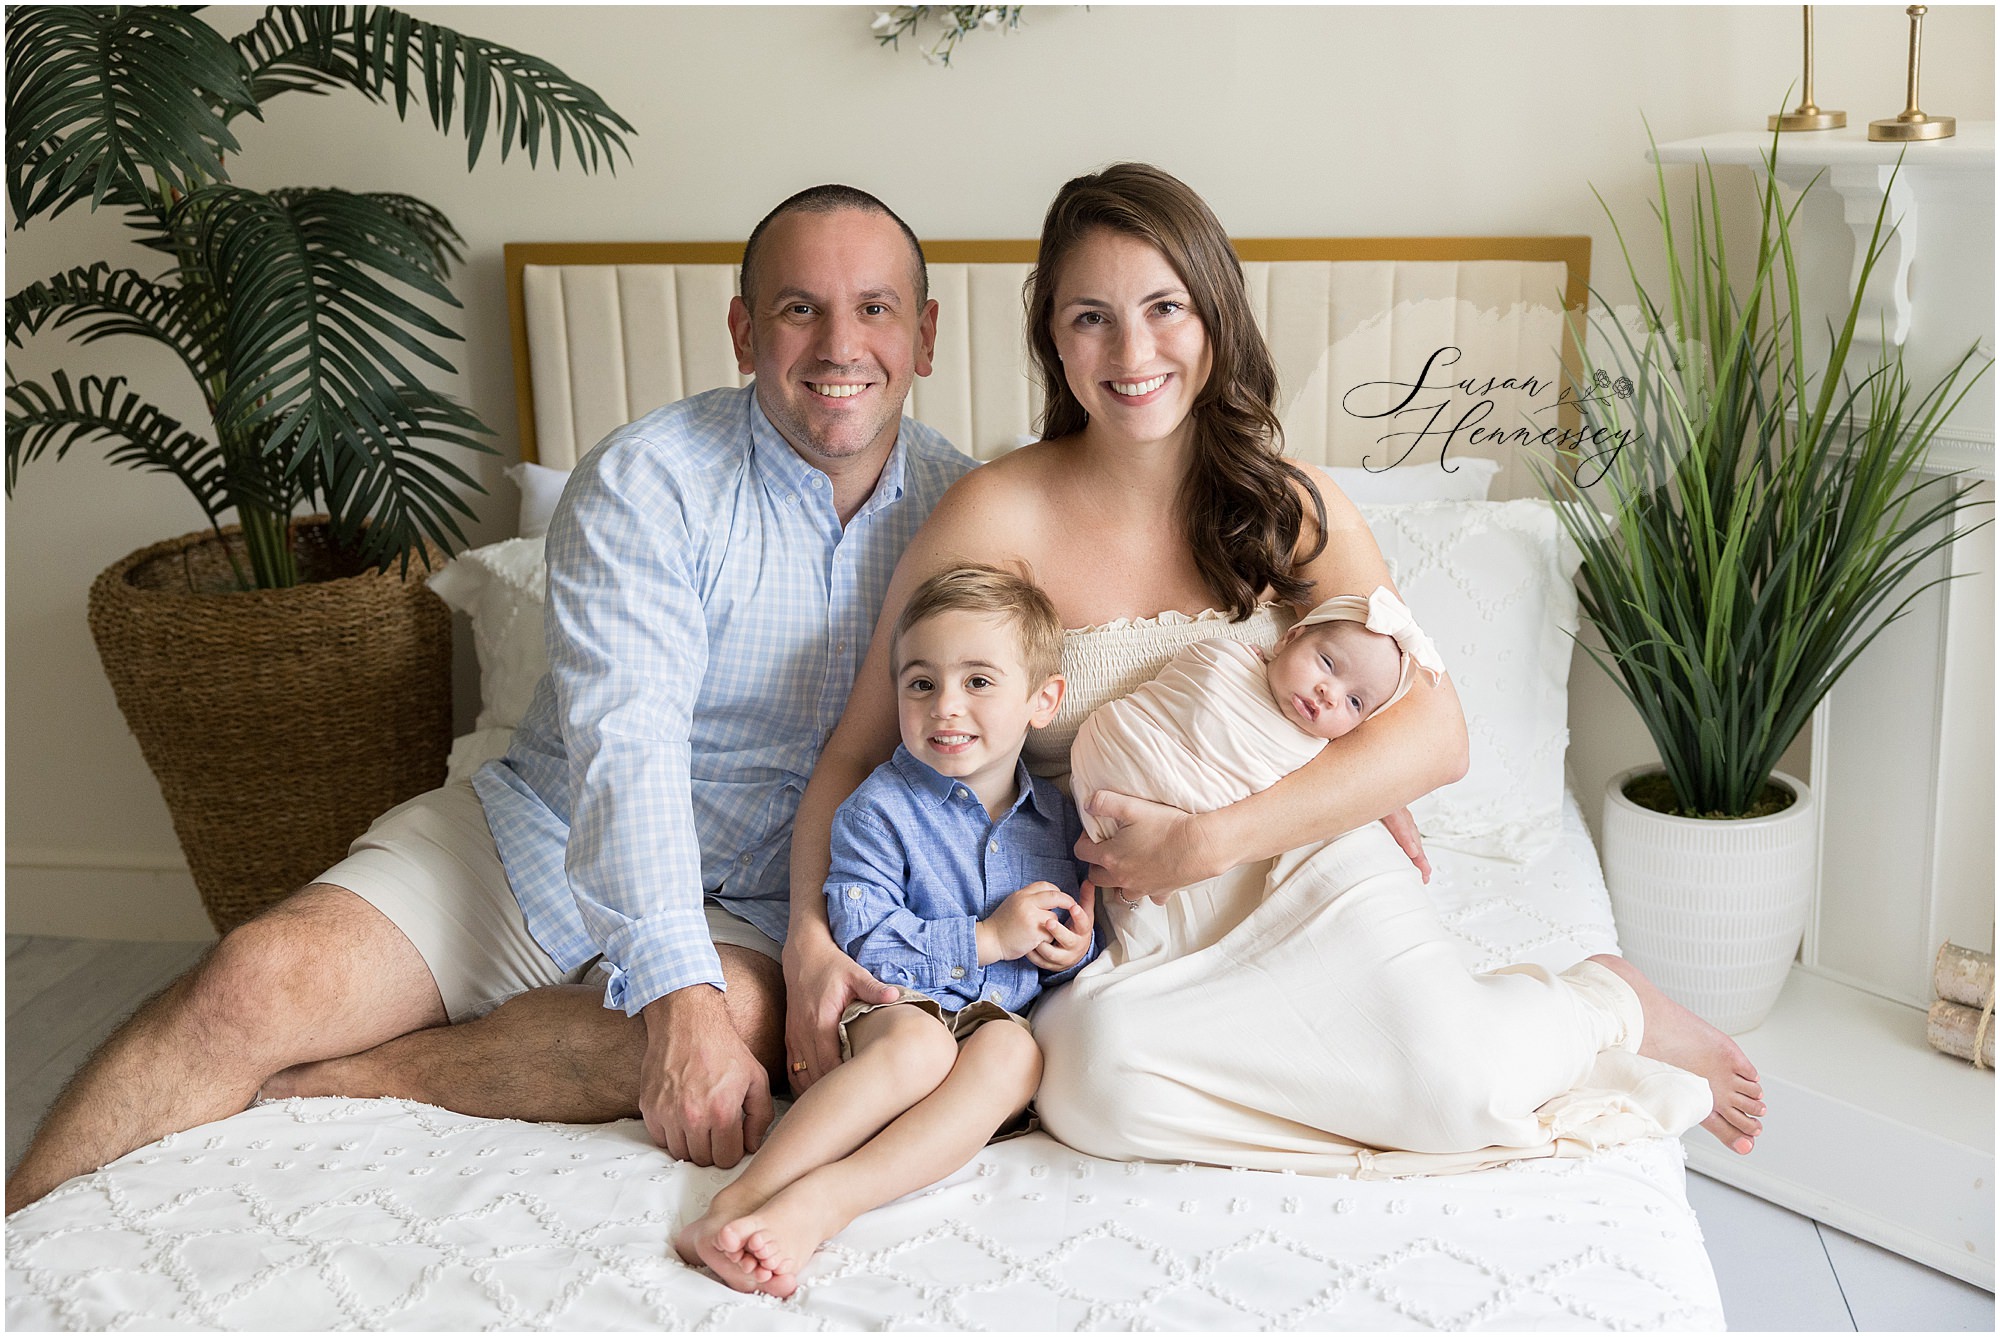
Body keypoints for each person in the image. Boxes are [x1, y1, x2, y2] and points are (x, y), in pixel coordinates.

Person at [788, 162, 1764, 1188]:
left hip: (1309, 862)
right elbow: (856, 751)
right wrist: (812, 934)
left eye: (1164, 307)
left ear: (1213, 316)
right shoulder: (994, 514)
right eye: (1090, 317)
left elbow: (1435, 735)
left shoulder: (1286, 502)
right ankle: (1355, 1077)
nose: (1132, 352)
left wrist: (1208, 839)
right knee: (1090, 1089)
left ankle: (1599, 998)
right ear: (1052, 338)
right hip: (1138, 924)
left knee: (1451, 1082)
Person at [4, 184, 975, 1214]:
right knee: (253, 980)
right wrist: (672, 998)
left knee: (740, 1019)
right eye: (797, 307)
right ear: (742, 331)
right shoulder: (650, 478)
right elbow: (625, 745)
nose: (838, 344)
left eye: (873, 308)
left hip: (774, 895)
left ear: (921, 334)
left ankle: (352, 1078)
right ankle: (16, 1234)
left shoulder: (967, 508)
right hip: (544, 829)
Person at [677, 563, 1097, 1296]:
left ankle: (825, 1202)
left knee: (1015, 1053)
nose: (946, 706)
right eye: (921, 682)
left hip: (984, 1032)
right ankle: (740, 1199)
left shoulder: (1056, 822)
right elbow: (864, 936)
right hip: (890, 1007)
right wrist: (986, 939)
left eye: (978, 681)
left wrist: (1069, 950)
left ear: (1042, 700)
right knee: (919, 1040)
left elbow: (1054, 954)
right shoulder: (880, 808)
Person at [1068, 585, 1442, 850]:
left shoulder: (1313, 756)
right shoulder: (1225, 660)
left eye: (1356, 703)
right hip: (1117, 755)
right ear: (1289, 638)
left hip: (1195, 832)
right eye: (1327, 663)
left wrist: (1380, 798)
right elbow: (1181, 691)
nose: (1330, 694)